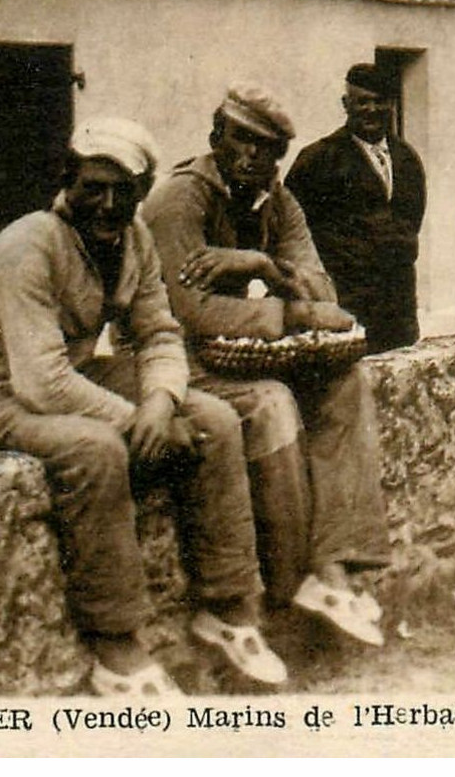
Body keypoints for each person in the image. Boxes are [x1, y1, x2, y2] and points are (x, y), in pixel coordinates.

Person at [0, 117, 286, 697]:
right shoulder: (30, 243)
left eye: (120, 190)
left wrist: (159, 400)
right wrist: (134, 420)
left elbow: (157, 332)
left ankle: (226, 608)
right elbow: (41, 383)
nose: (104, 204)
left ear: (141, 191)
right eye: (90, 187)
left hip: (66, 378)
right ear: (66, 183)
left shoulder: (134, 239)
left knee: (215, 419)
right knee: (97, 449)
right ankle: (115, 644)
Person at [142, 84, 392, 648]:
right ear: (216, 138)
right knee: (272, 404)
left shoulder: (279, 203)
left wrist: (261, 266)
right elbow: (189, 310)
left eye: (268, 149)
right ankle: (288, 583)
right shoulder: (181, 200)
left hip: (244, 353)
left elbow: (325, 296)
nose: (253, 157)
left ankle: (334, 567)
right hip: (173, 359)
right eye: (241, 141)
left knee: (346, 382)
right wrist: (290, 311)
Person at [285, 64, 427, 354]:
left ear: (392, 104)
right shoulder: (318, 159)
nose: (371, 109)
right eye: (362, 101)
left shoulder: (407, 159)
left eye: (380, 101)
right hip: (344, 307)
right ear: (346, 104)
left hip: (398, 311)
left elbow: (411, 225)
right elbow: (290, 232)